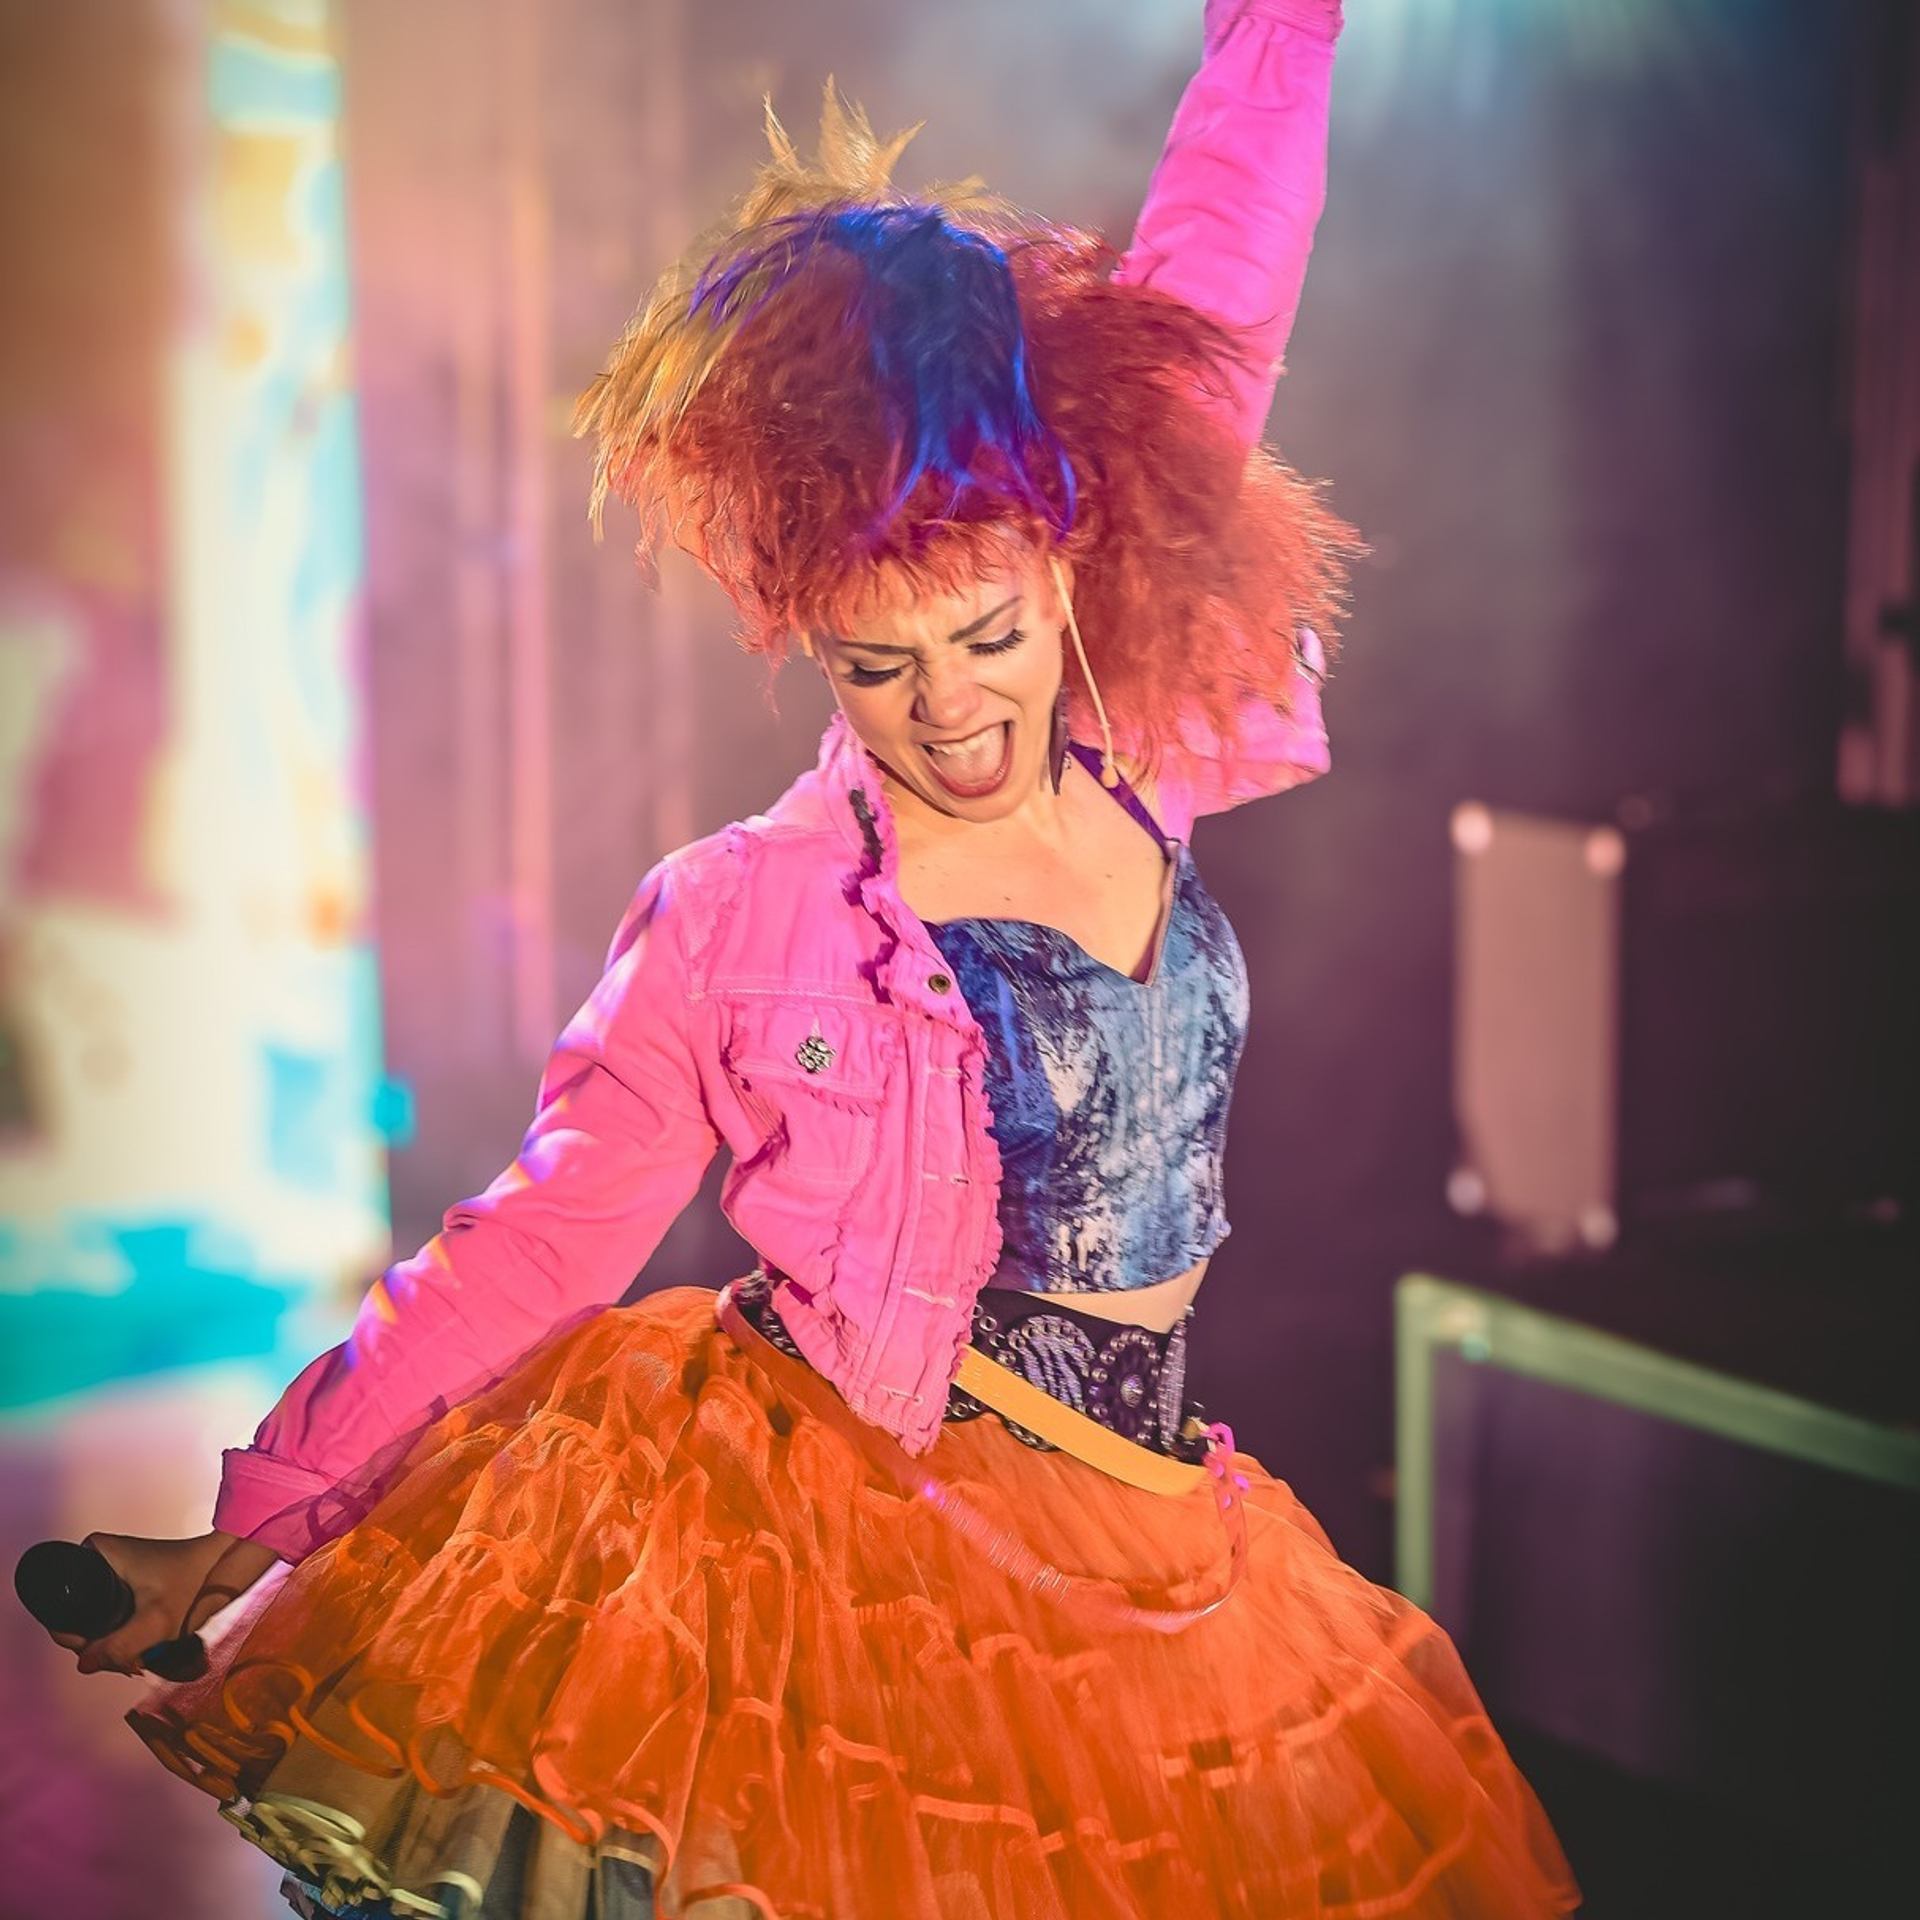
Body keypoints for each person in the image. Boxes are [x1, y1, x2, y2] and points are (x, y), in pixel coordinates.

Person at [49, 3, 1581, 1914]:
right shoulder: (744, 909)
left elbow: (1226, 275)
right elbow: (532, 1243)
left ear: (1065, 576)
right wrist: (255, 1526)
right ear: (818, 647)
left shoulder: (1144, 745)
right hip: (862, 1537)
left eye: (990, 639)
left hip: (1160, 1511)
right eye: (883, 666)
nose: (949, 712)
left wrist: (1286, 21)